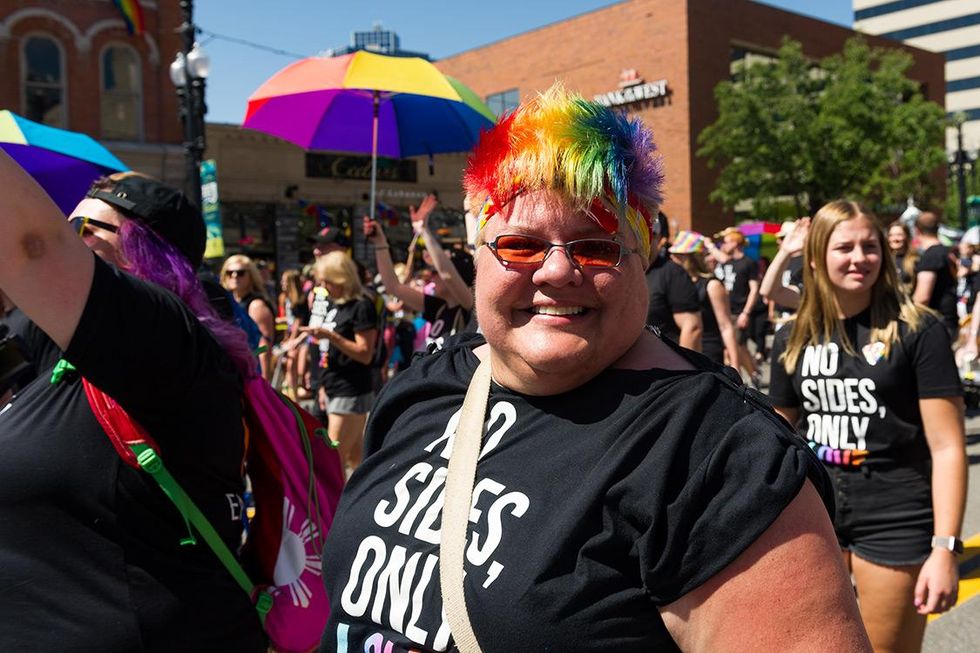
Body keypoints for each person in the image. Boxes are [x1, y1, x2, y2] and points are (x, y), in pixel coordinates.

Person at [317, 85, 870, 653]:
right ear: (477, 253)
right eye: (520, 245)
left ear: (644, 251)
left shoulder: (716, 456)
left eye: (595, 246)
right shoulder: (424, 387)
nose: (557, 271)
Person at [0, 159, 265, 650]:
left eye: (81, 226)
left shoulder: (166, 339)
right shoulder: (55, 345)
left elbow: (32, 247)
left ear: (142, 251)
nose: (67, 235)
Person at [768, 200, 966, 653]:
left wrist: (945, 548)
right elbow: (777, 437)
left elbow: (948, 447)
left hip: (896, 516)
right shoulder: (792, 336)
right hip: (814, 519)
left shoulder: (918, 330)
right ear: (816, 257)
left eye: (870, 246)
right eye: (845, 247)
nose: (859, 258)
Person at [366, 193, 476, 351]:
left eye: (435, 272)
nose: (431, 275)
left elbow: (448, 275)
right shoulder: (438, 307)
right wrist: (380, 243)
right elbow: (393, 287)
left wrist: (424, 230)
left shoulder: (468, 307)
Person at [301, 251, 378, 472]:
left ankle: (335, 506)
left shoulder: (362, 306)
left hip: (350, 389)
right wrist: (324, 386)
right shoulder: (336, 304)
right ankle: (362, 502)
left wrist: (330, 336)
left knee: (333, 459)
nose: (323, 286)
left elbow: (365, 353)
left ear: (342, 278)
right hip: (334, 386)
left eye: (328, 281)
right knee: (356, 459)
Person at [669, 230, 739, 366]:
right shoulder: (676, 284)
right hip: (682, 351)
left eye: (677, 255)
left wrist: (735, 365)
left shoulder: (712, 285)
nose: (672, 258)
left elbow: (726, 326)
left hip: (708, 353)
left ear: (690, 258)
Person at [706, 227, 763, 380]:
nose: (722, 245)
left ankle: (749, 374)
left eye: (725, 242)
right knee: (737, 346)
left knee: (736, 344)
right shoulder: (726, 261)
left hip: (739, 311)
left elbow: (754, 289)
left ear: (735, 242)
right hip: (726, 310)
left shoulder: (748, 262)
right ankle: (753, 373)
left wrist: (746, 312)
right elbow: (718, 257)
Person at [644, 213, 702, 350]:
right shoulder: (628, 271)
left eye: (648, 234)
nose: (642, 239)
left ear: (659, 239)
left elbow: (692, 327)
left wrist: (682, 370)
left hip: (664, 364)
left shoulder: (673, 272)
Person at [221, 254, 277, 381]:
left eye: (240, 273)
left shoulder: (256, 305)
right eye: (230, 272)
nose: (235, 276)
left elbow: (264, 346)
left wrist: (264, 381)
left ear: (251, 276)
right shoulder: (229, 302)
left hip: (252, 373)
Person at [913, 211, 958, 339]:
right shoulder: (946, 251)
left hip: (937, 325)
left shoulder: (931, 256)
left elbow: (922, 298)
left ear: (917, 231)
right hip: (950, 320)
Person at [888, 220, 918, 294]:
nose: (895, 239)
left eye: (899, 235)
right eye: (891, 235)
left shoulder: (915, 259)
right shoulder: (885, 259)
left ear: (907, 236)